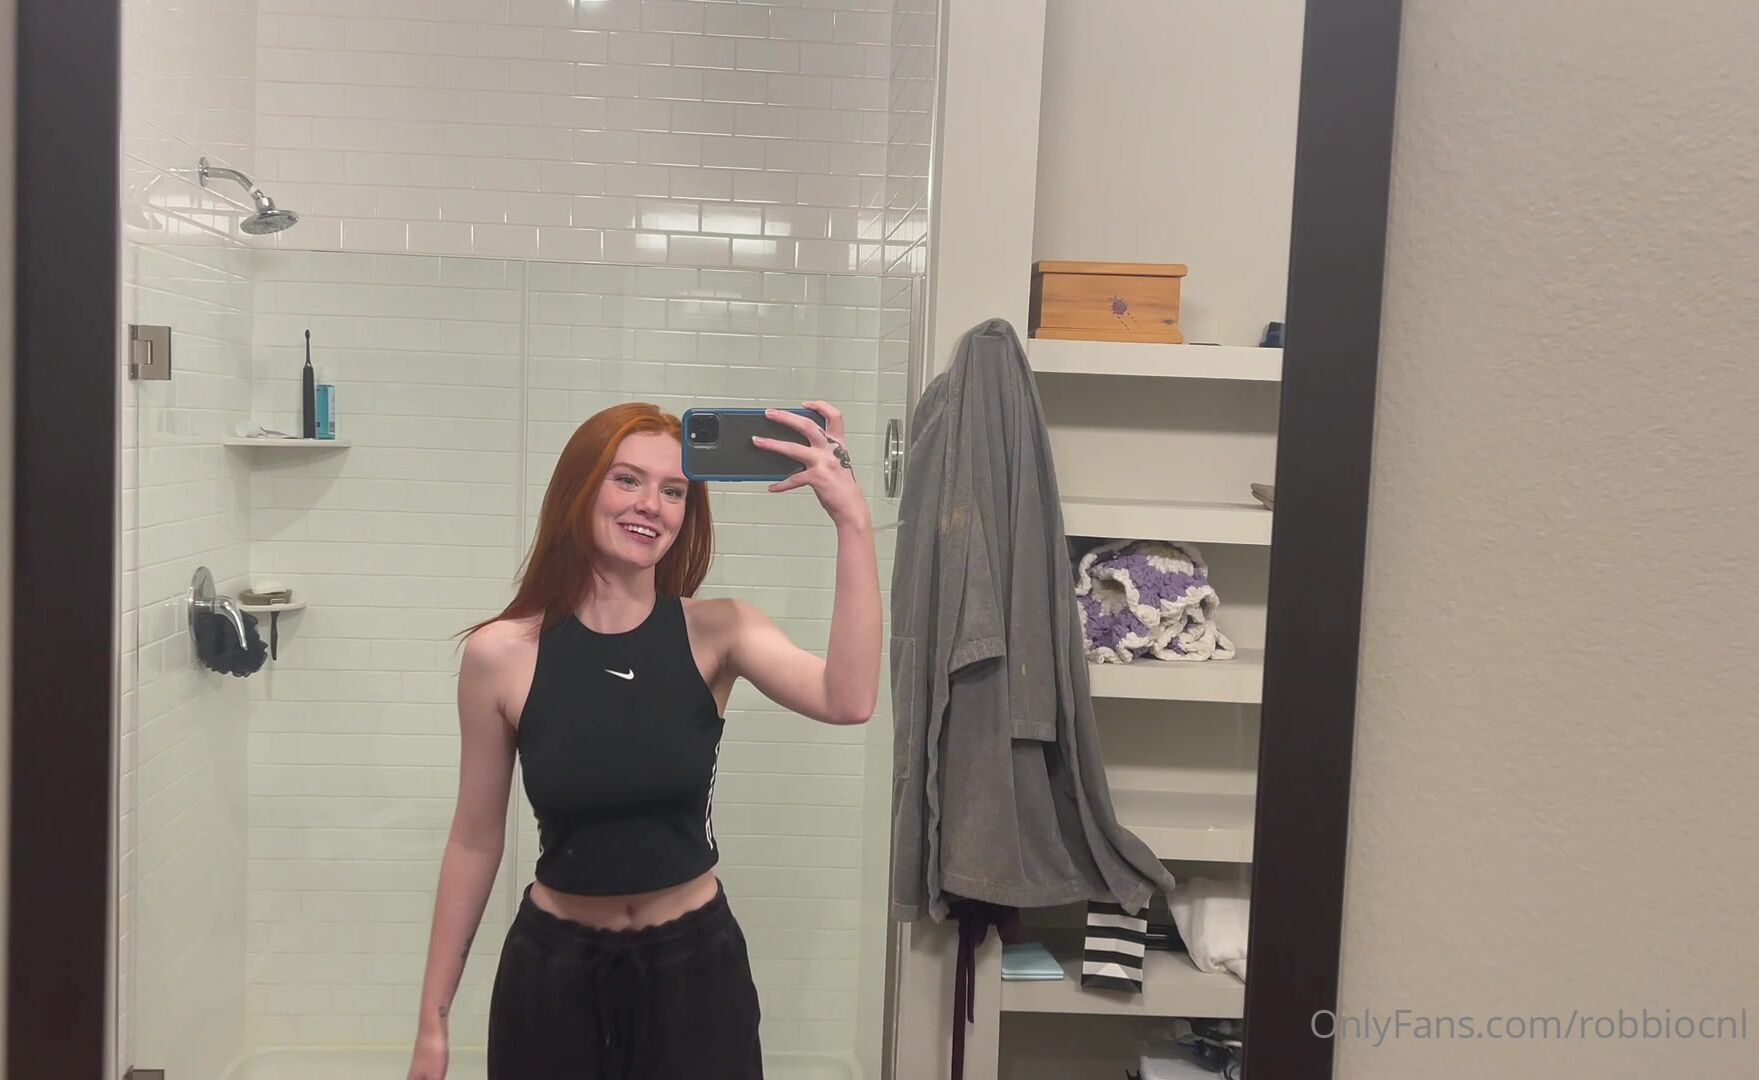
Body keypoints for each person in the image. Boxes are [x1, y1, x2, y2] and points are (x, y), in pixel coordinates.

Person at [405, 400, 881, 1080]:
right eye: (627, 479)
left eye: (674, 490)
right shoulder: (501, 654)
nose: (651, 505)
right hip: (553, 977)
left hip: (695, 974)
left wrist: (851, 518)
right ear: (579, 489)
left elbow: (849, 698)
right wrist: (433, 1019)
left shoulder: (720, 631)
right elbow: (474, 840)